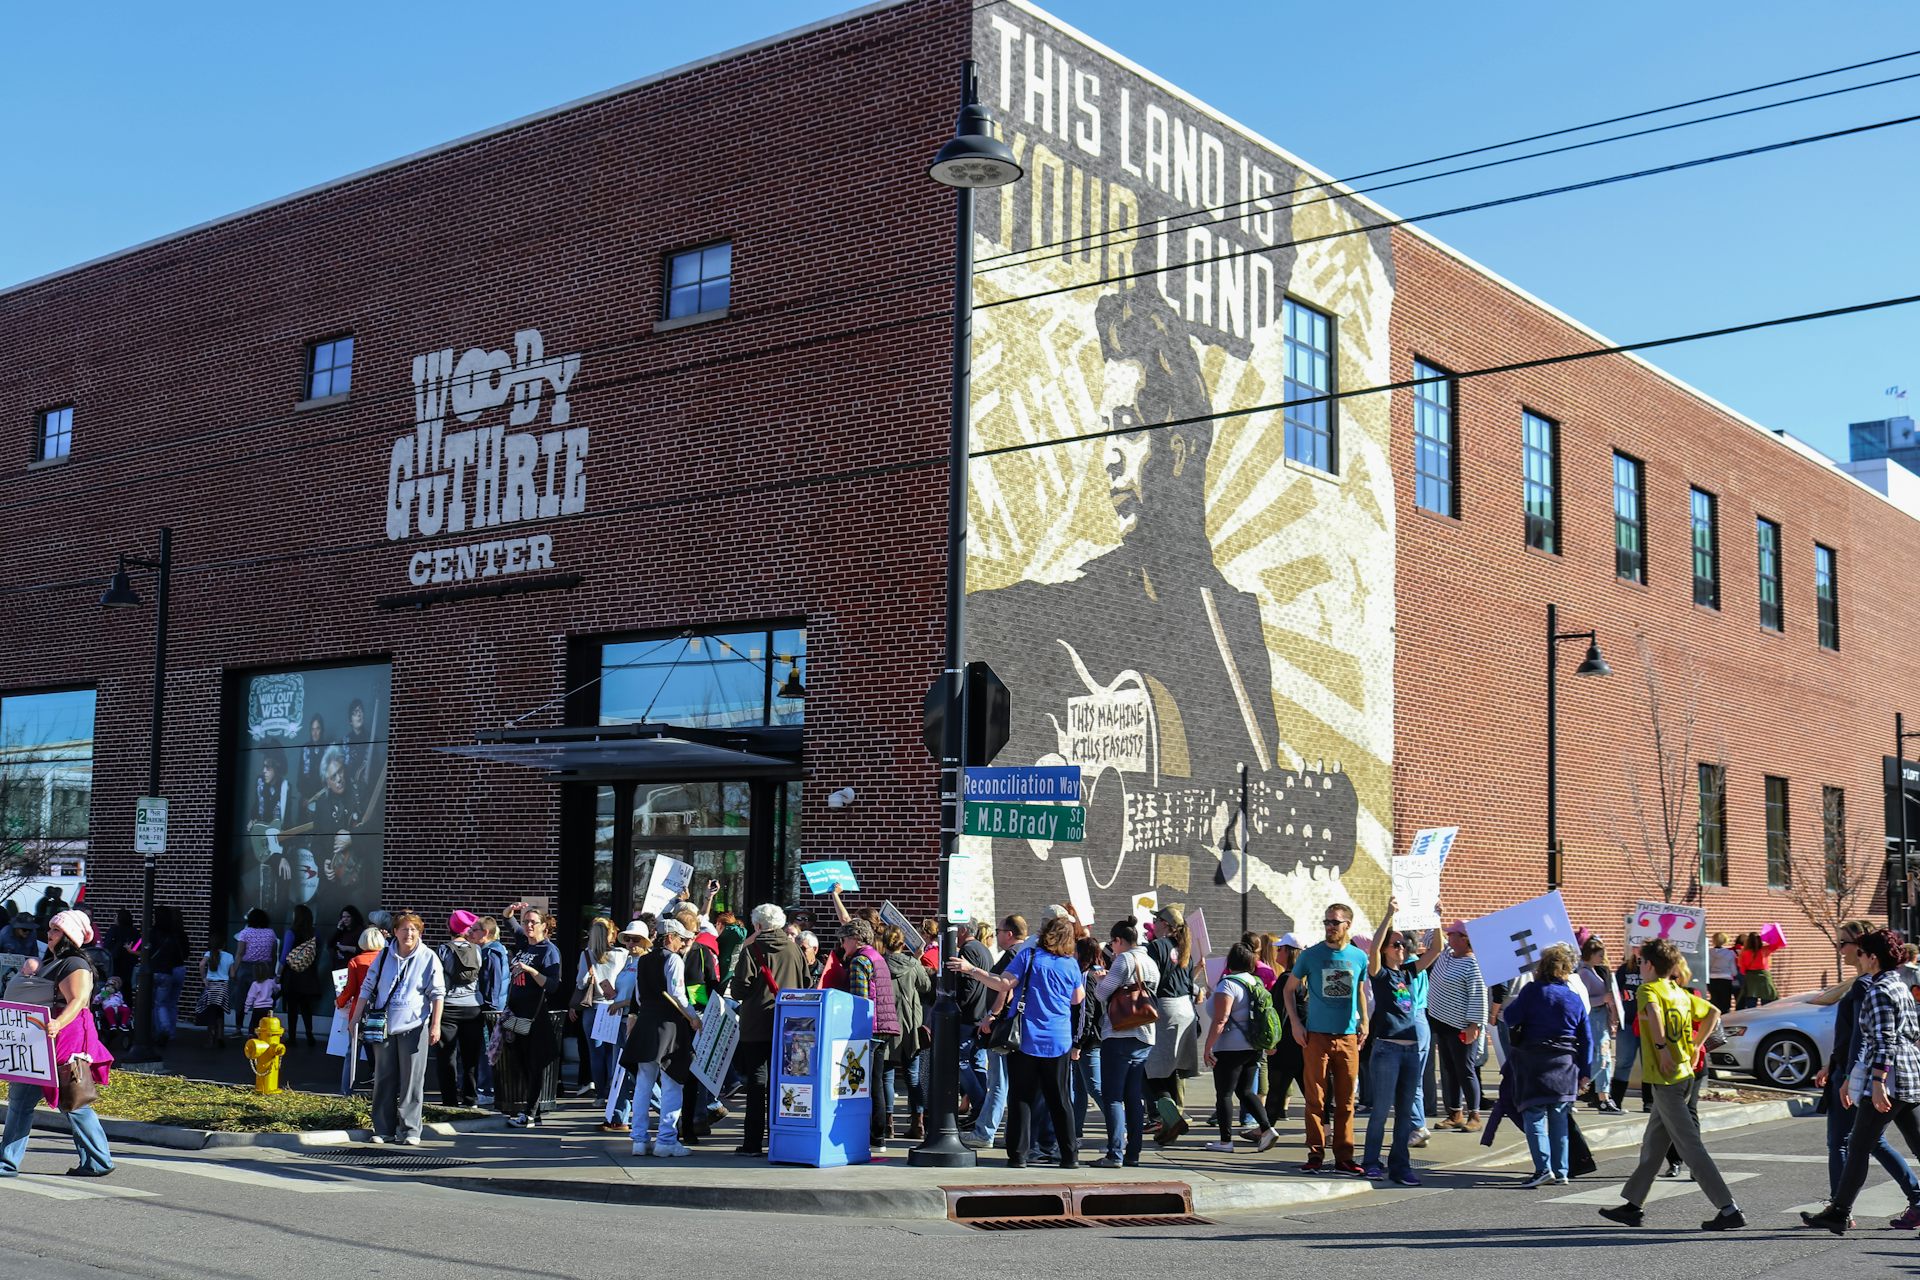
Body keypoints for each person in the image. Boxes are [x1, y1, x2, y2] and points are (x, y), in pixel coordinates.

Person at [1596, 937, 1744, 1232]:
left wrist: (1662, 1048)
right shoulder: (1677, 990)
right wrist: (1694, 1047)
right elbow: (1714, 1013)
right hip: (1684, 1074)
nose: (1639, 966)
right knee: (1653, 1145)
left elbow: (1652, 1012)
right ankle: (1633, 1206)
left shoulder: (1648, 989)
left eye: (1641, 962)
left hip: (1667, 1079)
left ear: (1649, 965)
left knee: (1690, 1148)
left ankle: (1729, 1209)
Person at [1808, 920, 1920, 1230]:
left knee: (1857, 1146)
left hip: (1889, 1078)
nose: (1858, 958)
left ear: (1871, 957)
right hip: (1909, 1074)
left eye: (1861, 954)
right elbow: (1911, 1032)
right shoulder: (1899, 985)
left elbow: (1882, 1039)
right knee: (1913, 1143)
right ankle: (1843, 1209)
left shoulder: (1878, 989)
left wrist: (1877, 1082)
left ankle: (1840, 1210)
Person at [952, 914, 1086, 1169]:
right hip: (1058, 1040)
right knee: (1060, 1100)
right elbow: (1077, 999)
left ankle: (1019, 1155)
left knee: (1021, 1097)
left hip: (1026, 1039)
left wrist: (972, 970)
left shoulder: (1030, 956)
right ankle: (1070, 1156)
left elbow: (1004, 983)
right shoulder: (1071, 965)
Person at [0, 910, 115, 1179]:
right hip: (39, 1038)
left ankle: (98, 1160)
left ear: (69, 936)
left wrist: (58, 1024)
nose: (48, 934)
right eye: (50, 928)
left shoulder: (75, 964)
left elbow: (77, 1000)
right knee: (20, 1102)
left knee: (73, 1101)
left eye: (55, 930)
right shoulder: (54, 961)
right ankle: (6, 1162)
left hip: (64, 1039)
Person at [1286, 901, 1371, 1174]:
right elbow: (1289, 990)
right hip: (1316, 1037)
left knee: (1346, 1101)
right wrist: (1296, 1024)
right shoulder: (1310, 955)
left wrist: (1364, 1020)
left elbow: (1359, 991)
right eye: (1326, 922)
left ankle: (1345, 1156)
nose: (1329, 927)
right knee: (1315, 1099)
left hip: (1347, 1037)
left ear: (1348, 925)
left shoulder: (1359, 957)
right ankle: (1315, 1154)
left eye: (1335, 922)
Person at [1362, 899, 1442, 1184]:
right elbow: (1373, 950)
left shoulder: (1408, 972)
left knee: (1405, 1114)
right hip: (1387, 1049)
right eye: (1394, 944)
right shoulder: (1380, 974)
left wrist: (1435, 917)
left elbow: (1436, 949)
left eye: (1402, 945)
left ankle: (1400, 1165)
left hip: (1410, 1051)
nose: (1400, 948)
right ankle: (1371, 1161)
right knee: (1381, 1110)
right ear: (1385, 950)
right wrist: (1388, 916)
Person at [348, 912, 445, 1146]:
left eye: (413, 929)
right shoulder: (384, 956)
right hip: (385, 1026)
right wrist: (356, 1016)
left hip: (414, 1025)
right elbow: (367, 986)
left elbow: (438, 993)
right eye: (404, 929)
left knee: (412, 1080)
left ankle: (411, 1130)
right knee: (383, 1078)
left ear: (420, 933)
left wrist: (435, 1024)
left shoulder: (428, 957)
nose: (408, 933)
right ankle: (383, 1129)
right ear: (394, 932)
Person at [1502, 943, 1592, 1188]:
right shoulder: (1574, 998)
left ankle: (1543, 1168)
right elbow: (1587, 1038)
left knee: (1534, 1116)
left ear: (1542, 967)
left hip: (1535, 1063)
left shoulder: (1533, 990)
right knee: (1560, 1119)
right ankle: (1561, 1171)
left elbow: (1510, 1018)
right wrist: (1586, 1072)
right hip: (1566, 1064)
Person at [729, 904, 809, 1156]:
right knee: (785, 1083)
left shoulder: (752, 949)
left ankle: (752, 1143)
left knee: (756, 1083)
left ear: (758, 925)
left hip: (756, 1024)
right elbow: (806, 983)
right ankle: (781, 1138)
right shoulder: (795, 948)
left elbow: (739, 989)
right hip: (789, 1025)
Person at [621, 917, 702, 1158]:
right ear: (670, 938)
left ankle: (639, 1139)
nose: (682, 943)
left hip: (646, 1022)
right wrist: (693, 1018)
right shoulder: (673, 959)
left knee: (644, 1083)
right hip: (668, 1025)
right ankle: (666, 1139)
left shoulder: (642, 960)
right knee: (672, 1083)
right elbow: (678, 994)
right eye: (680, 938)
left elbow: (638, 997)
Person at [1093, 918, 1161, 1168]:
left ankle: (1114, 1153)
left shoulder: (1124, 959)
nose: (1113, 947)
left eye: (1113, 942)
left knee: (1112, 1096)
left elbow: (1102, 994)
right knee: (1133, 1097)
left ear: (1119, 940)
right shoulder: (1151, 962)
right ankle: (1133, 1153)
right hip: (1144, 1035)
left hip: (1120, 1034)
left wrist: (1100, 979)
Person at [1203, 942, 1279, 1154]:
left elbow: (1220, 1019)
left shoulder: (1227, 984)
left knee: (1224, 1094)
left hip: (1229, 1047)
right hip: (1252, 1046)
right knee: (1246, 1091)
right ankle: (1267, 1128)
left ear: (1229, 962)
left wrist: (1208, 1047)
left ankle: (1225, 1141)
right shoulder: (1255, 982)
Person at [829, 919, 898, 1148]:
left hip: (870, 1027)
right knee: (876, 1082)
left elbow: (860, 1000)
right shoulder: (877, 957)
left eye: (844, 939)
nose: (842, 944)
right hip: (883, 1026)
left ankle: (869, 1135)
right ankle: (879, 1138)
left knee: (864, 1084)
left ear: (856, 939)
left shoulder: (860, 961)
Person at [496, 905, 563, 1128]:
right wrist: (511, 911)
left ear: (544, 926)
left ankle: (530, 1114)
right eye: (526, 922)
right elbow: (508, 921)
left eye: (534, 922)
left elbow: (553, 986)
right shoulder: (525, 943)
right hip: (517, 1014)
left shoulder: (549, 950)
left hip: (536, 1016)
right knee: (521, 1063)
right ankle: (533, 1111)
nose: (529, 925)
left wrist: (531, 971)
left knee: (535, 1064)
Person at [963, 915, 1027, 1150]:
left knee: (998, 1082)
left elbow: (1004, 987)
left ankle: (984, 1132)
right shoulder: (1024, 952)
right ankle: (1002, 1132)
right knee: (1006, 1082)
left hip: (1003, 1027)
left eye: (999, 930)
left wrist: (992, 1015)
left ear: (1009, 933)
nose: (996, 934)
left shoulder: (1013, 954)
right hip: (1013, 1026)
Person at [1143, 906, 1203, 1146]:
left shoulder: (1157, 947)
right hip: (1185, 1009)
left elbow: (1151, 979)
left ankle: (1169, 1115)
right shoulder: (1184, 949)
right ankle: (1169, 1124)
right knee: (1170, 1070)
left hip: (1166, 1009)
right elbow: (1188, 983)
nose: (1154, 924)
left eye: (1156, 920)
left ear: (1166, 925)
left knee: (1149, 1070)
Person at [1427, 919, 1488, 1131]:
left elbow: (1478, 996)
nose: (1448, 936)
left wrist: (1474, 1025)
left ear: (1465, 939)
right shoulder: (1445, 954)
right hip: (1441, 1022)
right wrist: (1434, 916)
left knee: (1465, 1069)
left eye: (1452, 934)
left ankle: (1475, 1115)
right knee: (1448, 1069)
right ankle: (1454, 1113)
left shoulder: (1472, 964)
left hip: (1461, 1026)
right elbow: (1431, 938)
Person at [881, 923, 932, 1142]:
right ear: (903, 943)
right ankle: (918, 1123)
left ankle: (888, 1124)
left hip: (886, 1024)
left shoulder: (879, 963)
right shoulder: (912, 964)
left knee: (887, 1076)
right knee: (912, 1077)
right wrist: (918, 961)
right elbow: (926, 986)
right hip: (910, 1026)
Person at [568, 916, 627, 1102]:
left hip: (593, 1008)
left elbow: (581, 982)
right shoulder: (621, 954)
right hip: (614, 1007)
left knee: (596, 1054)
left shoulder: (587, 954)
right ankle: (613, 1090)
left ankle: (600, 1094)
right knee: (613, 1052)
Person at [436, 911, 487, 1108]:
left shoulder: (443, 950)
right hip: (473, 1007)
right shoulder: (477, 950)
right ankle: (470, 1098)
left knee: (446, 1057)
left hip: (447, 1007)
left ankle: (449, 1100)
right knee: (470, 1057)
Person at [954, 920, 998, 1127]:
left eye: (956, 929)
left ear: (963, 931)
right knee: (977, 1062)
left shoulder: (968, 949)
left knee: (961, 1061)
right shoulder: (983, 949)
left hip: (969, 1016)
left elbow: (968, 986)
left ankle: (980, 1103)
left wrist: (957, 1006)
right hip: (980, 1014)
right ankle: (981, 1109)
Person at [1575, 938, 1621, 1113]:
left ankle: (1604, 1097)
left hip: (1601, 1018)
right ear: (1591, 954)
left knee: (1606, 1059)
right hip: (1593, 1018)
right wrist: (1603, 999)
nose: (1603, 958)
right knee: (1600, 1059)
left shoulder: (1595, 971)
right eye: (1599, 955)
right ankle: (1578, 1087)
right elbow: (1582, 1000)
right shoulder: (1584, 973)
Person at [1266, 932, 1306, 1122]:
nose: (1277, 952)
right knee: (1310, 1090)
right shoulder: (1305, 979)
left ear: (1290, 952)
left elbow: (1278, 1013)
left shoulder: (1286, 979)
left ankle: (1265, 1129)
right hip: (1302, 1042)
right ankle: (1325, 1129)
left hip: (1286, 1042)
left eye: (1280, 949)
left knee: (1276, 1087)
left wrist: (1272, 1042)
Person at [278, 904, 326, 1047]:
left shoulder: (291, 932)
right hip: (309, 973)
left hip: (292, 975)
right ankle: (309, 1034)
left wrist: (278, 975)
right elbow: (320, 948)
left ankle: (292, 1037)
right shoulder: (315, 932)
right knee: (306, 1007)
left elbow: (284, 956)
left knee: (292, 1007)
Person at [475, 915, 510, 1107]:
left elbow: (495, 983)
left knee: (489, 1050)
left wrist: (492, 1008)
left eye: (474, 931)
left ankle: (487, 1090)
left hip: (492, 1010)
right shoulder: (493, 951)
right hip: (493, 1008)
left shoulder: (493, 953)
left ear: (485, 933)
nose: (470, 934)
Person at [232, 907, 279, 1036]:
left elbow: (240, 953)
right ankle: (258, 1028)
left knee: (241, 998)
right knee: (262, 999)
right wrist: (272, 972)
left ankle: (238, 1027)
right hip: (265, 968)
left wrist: (234, 970)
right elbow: (274, 954)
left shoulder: (245, 933)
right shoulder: (271, 933)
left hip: (247, 968)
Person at [197, 940, 235, 1048]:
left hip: (211, 986)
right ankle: (220, 1036)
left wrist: (204, 978)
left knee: (211, 1012)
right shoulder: (229, 956)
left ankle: (210, 1038)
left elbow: (201, 964)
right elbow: (232, 974)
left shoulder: (209, 954)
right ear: (223, 945)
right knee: (220, 1011)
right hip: (223, 986)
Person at [1737, 930, 1782, 1009]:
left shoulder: (1744, 953)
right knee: (1767, 1001)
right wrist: (1773, 934)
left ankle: (1751, 1017)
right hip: (1764, 977)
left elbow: (1742, 969)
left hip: (1751, 978)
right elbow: (1778, 944)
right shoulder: (1765, 949)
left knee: (1751, 1001)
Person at [330, 905, 368, 976]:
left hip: (353, 967)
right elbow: (331, 944)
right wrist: (338, 929)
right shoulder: (342, 930)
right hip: (339, 967)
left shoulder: (360, 931)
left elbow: (363, 949)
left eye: (348, 917)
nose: (345, 919)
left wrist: (346, 948)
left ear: (354, 917)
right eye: (343, 917)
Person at [1707, 931, 1739, 1013]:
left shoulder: (1709, 952)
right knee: (1725, 1002)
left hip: (1712, 978)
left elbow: (1707, 966)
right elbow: (1733, 970)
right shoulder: (1730, 953)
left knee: (1714, 1001)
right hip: (1726, 979)